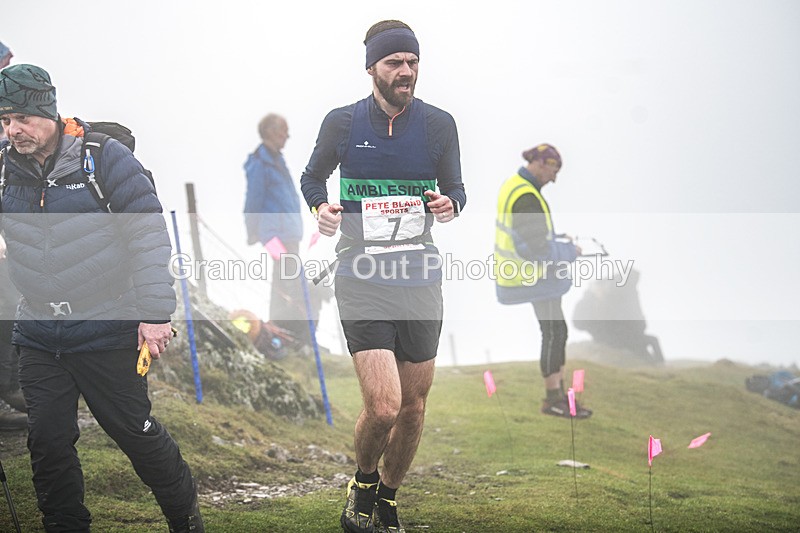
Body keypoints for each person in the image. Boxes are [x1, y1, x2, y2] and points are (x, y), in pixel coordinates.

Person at [0, 64, 203, 532]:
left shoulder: (104, 159)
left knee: (134, 433)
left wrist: (154, 315)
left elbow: (149, 236)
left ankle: (185, 519)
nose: (13, 130)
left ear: (47, 111)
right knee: (48, 441)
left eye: (22, 119)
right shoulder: (6, 166)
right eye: (5, 120)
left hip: (107, 326)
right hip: (38, 331)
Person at [300, 20, 465, 533]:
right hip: (362, 272)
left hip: (420, 276)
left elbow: (458, 189)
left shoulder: (440, 125)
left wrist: (448, 204)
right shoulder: (343, 123)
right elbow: (312, 177)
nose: (406, 72)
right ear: (372, 66)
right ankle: (364, 483)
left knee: (414, 407)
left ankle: (388, 499)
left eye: (413, 63)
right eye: (395, 62)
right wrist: (321, 209)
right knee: (385, 406)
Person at [494, 144, 592, 419]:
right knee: (554, 332)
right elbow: (536, 249)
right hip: (533, 277)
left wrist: (558, 240)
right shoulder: (527, 196)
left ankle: (558, 396)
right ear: (539, 163)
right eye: (553, 170)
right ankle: (553, 399)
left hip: (527, 275)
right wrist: (570, 252)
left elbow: (529, 235)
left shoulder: (514, 185)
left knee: (555, 331)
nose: (554, 178)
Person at [243, 113, 307, 340]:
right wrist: (253, 231)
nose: (287, 135)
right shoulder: (260, 163)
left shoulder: (277, 160)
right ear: (270, 131)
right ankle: (284, 332)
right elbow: (254, 199)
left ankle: (289, 332)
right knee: (286, 278)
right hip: (272, 236)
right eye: (283, 130)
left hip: (289, 233)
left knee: (288, 277)